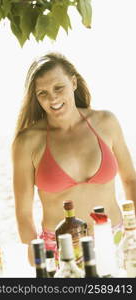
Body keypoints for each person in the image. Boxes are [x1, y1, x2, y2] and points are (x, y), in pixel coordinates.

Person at [11, 52, 136, 266]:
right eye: (43, 93)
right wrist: (35, 250)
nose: (53, 99)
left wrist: (133, 231)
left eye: (58, 88)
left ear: (74, 83)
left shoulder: (106, 122)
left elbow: (130, 181)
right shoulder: (27, 142)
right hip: (61, 250)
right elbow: (23, 212)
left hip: (115, 238)